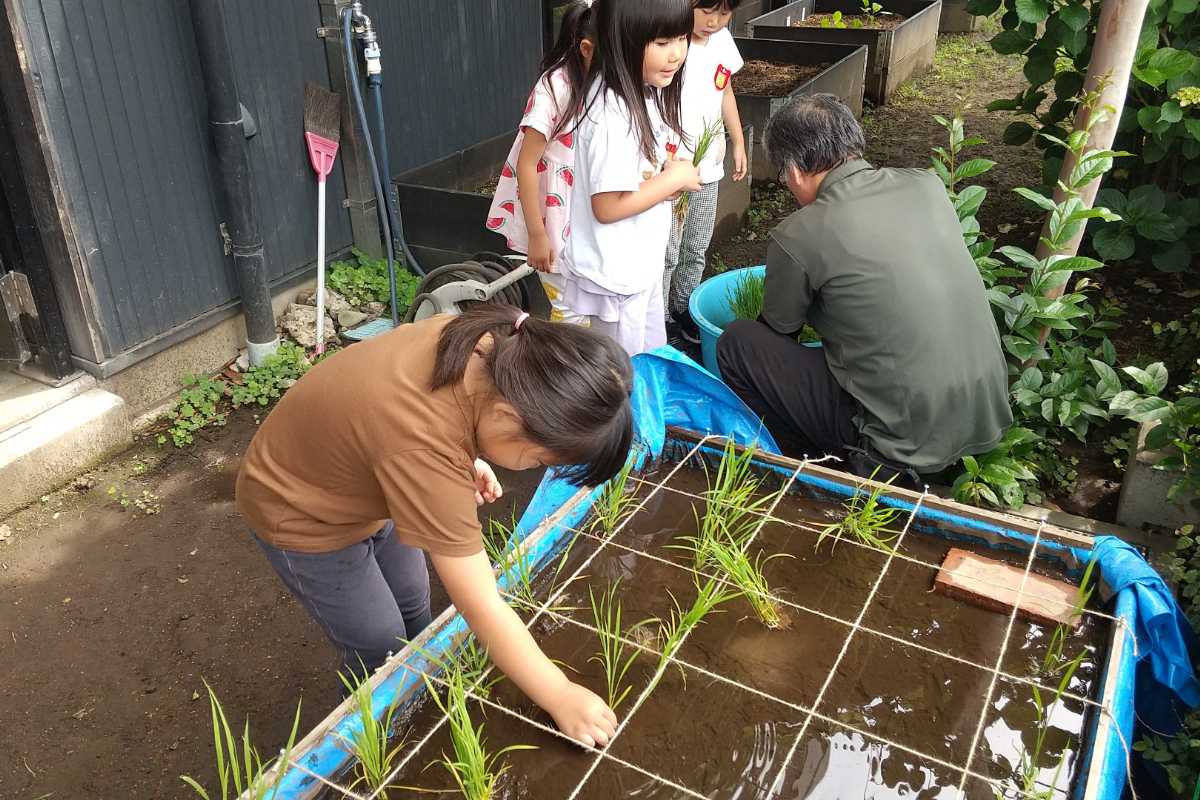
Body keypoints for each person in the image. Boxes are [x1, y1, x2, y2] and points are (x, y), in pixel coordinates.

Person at [235, 306, 632, 747]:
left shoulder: (489, 344)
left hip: (365, 481)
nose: (531, 469)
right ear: (506, 414)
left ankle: (417, 688)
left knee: (412, 600)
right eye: (539, 459)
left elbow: (422, 427)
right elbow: (480, 602)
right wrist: (559, 693)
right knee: (377, 644)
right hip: (300, 511)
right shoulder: (423, 451)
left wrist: (467, 457)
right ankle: (364, 748)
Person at [716, 94, 1012, 484]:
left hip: (899, 447)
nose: (787, 186)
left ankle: (805, 469)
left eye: (783, 177)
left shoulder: (800, 233)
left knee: (739, 343)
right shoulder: (927, 186)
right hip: (982, 419)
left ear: (796, 170)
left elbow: (778, 333)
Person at [561, 0, 703, 356]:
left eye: (682, 38)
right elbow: (607, 207)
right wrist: (672, 181)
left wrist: (663, 183)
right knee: (623, 373)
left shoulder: (640, 89)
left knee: (650, 358)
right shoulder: (613, 113)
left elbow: (631, 183)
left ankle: (647, 411)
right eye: (662, 42)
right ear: (621, 39)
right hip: (618, 276)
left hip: (638, 266)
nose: (677, 54)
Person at [486, 0, 595, 325]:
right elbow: (526, 162)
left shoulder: (599, 80)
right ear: (588, 49)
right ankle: (570, 368)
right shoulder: (555, 87)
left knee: (586, 306)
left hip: (581, 209)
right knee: (570, 309)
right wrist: (537, 234)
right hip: (552, 218)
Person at [664, 0, 748, 345]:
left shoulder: (723, 42)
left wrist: (738, 140)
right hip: (669, 171)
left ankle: (684, 308)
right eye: (706, 11)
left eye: (724, 14)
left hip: (708, 168)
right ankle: (659, 315)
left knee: (696, 246)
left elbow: (725, 90)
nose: (713, 21)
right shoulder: (671, 44)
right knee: (667, 250)